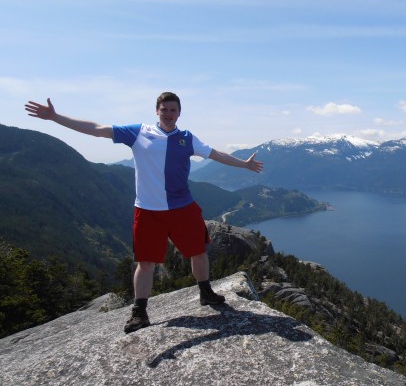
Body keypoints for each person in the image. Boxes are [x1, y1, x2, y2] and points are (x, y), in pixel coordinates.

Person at [25, 92, 263, 333]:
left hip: (183, 208)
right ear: (157, 111)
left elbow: (216, 154)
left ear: (179, 113)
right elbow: (97, 128)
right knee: (146, 263)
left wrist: (244, 164)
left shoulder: (187, 138)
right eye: (164, 109)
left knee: (198, 252)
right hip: (148, 210)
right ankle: (139, 312)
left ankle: (206, 292)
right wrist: (55, 117)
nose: (169, 114)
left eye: (173, 110)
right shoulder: (138, 132)